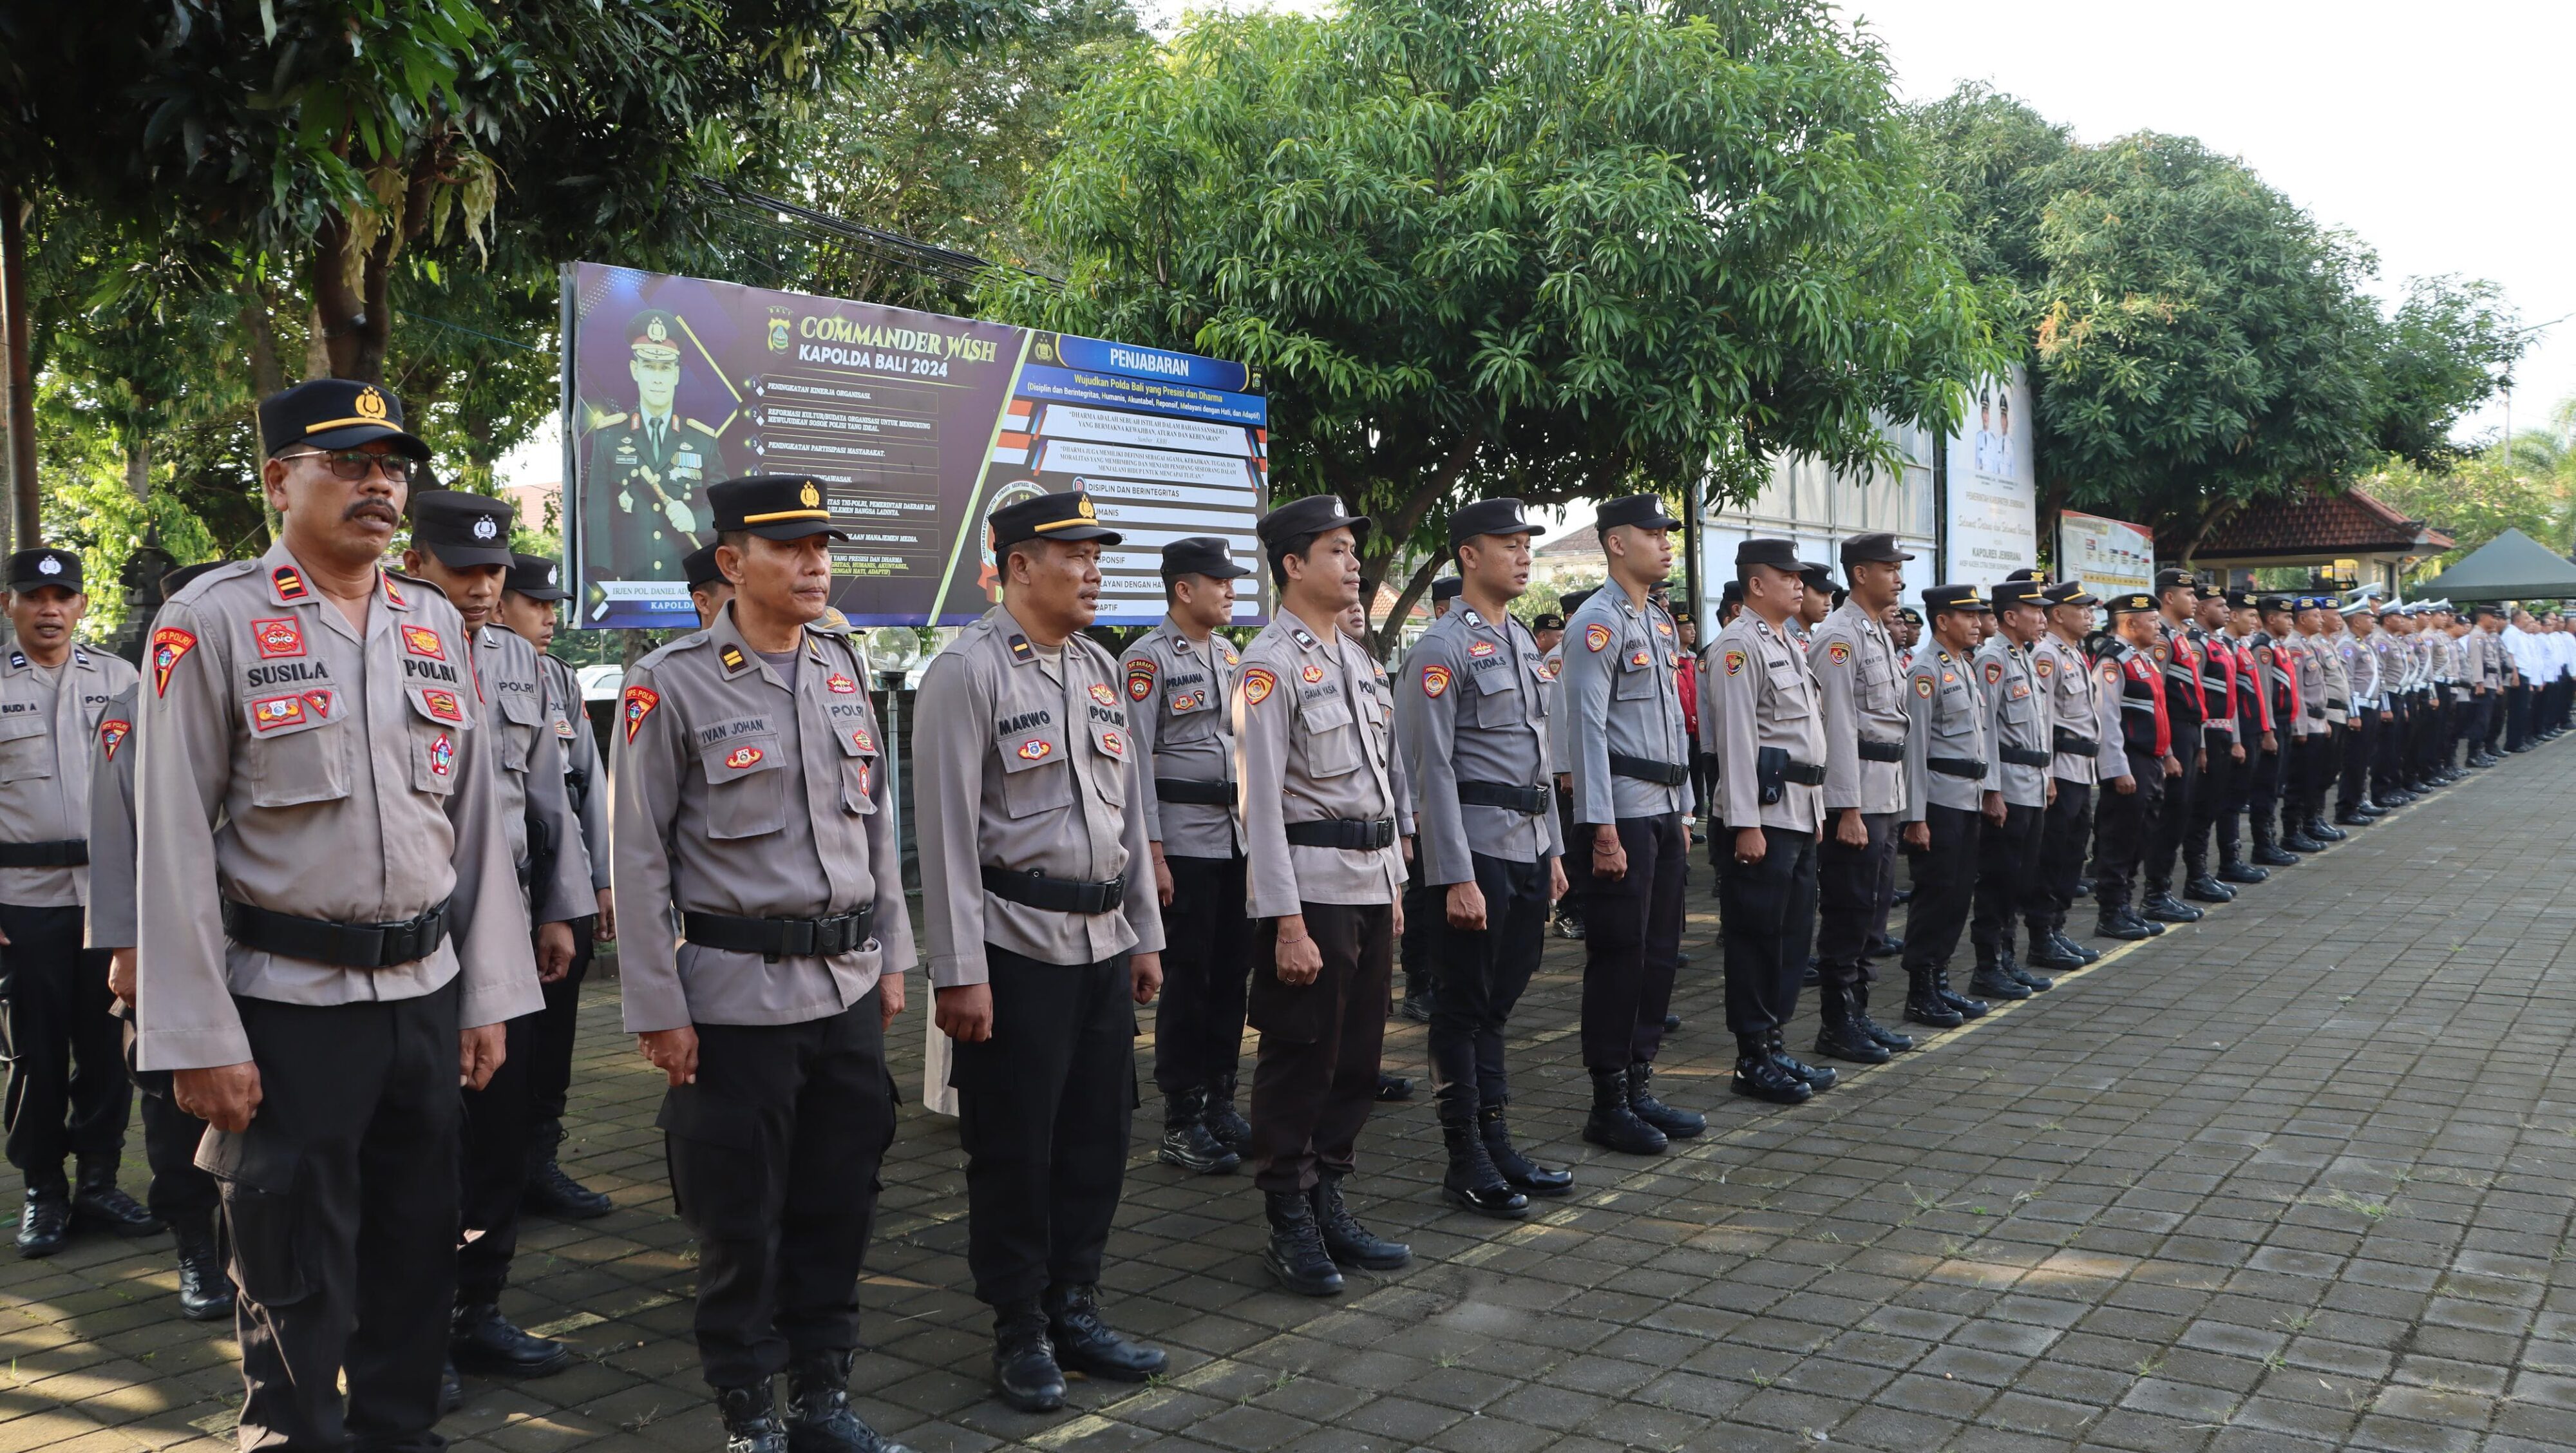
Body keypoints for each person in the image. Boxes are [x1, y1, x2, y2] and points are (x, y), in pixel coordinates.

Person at [135, 379, 540, 1451]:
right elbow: (170, 841)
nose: (379, 486)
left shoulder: (431, 621)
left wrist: (487, 998)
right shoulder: (211, 622)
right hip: (288, 1010)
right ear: (279, 481)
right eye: (349, 463)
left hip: (423, 998)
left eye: (391, 467)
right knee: (294, 1279)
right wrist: (198, 1036)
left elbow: (475, 824)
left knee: (416, 1260)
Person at [612, 476, 913, 1453]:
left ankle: (823, 1401)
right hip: (735, 1001)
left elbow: (877, 830)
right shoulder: (671, 682)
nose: (814, 564)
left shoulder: (840, 666)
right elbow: (638, 857)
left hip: (847, 987)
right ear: (733, 563)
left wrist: (893, 958)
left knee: (840, 1204)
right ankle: (749, 1415)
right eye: (789, 547)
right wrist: (658, 1008)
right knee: (739, 1222)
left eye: (822, 545)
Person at [916, 489, 1166, 1409]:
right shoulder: (967, 671)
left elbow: (1127, 816)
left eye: (1099, 556)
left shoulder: (1098, 667)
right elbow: (945, 838)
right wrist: (959, 973)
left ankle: (1076, 1305)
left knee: (1099, 1138)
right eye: (1077, 556)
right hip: (1015, 951)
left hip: (1102, 943)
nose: (1095, 572)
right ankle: (1019, 1325)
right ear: (1019, 565)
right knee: (1015, 1150)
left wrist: (1144, 935)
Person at [399, 491, 594, 1382]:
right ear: (416, 564)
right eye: (463, 570)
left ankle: (479, 1308)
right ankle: (412, 1329)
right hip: (415, 932)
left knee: (500, 1126)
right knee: (420, 1137)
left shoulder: (524, 662)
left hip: (510, 922)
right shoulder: (387, 642)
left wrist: (562, 909)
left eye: (494, 572)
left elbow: (551, 796)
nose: (482, 588)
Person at [1228, 495, 1415, 1293]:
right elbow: (1259, 807)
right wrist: (1285, 922)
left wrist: (1395, 882)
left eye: (1352, 549)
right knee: (1301, 1054)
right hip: (1312, 893)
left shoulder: (1360, 660)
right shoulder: (1267, 664)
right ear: (1292, 565)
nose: (1353, 563)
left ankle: (1329, 1196)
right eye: (1336, 550)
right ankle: (1288, 1218)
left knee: (1358, 1057)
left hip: (1369, 885)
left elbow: (1381, 783)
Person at [1397, 499, 1569, 1219]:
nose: (1523, 555)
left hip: (1527, 845)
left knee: (1498, 1005)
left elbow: (1538, 753)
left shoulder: (1521, 641)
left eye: (1527, 543)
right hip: (1475, 849)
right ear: (1468, 556)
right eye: (1508, 544)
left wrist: (1554, 848)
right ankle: (1464, 1156)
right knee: (1463, 1007)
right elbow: (1428, 770)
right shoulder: (1440, 649)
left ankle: (1498, 1143)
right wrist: (1454, 874)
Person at [0, 547, 154, 1258]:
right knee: (35, 1051)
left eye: (63, 596)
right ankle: (43, 1189)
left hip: (108, 897)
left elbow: (148, 785)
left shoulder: (121, 678)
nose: (50, 609)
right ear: (9, 605)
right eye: (34, 597)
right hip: (21, 902)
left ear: (82, 605)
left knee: (107, 1046)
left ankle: (98, 1180)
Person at [88, 560, 232, 1314]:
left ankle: (253, 1248)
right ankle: (195, 1248)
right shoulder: (131, 710)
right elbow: (114, 838)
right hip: (168, 938)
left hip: (258, 942)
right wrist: (126, 947)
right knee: (174, 1103)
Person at [1560, 497, 1700, 1155]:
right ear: (1616, 544)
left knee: (1660, 952)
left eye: (1668, 534)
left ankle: (1641, 1083)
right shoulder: (1596, 622)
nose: (1666, 543)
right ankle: (1608, 1100)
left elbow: (1673, 723)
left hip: (1664, 808)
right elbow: (1585, 730)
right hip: (1623, 811)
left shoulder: (1658, 621)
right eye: (1653, 533)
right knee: (1620, 956)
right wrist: (1601, 827)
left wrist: (1687, 808)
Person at [1119, 537, 1254, 1177]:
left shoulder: (1228, 654)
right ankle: (1181, 1118)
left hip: (1232, 838)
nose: (1230, 590)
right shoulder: (1145, 660)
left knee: (1230, 975)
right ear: (1183, 589)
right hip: (1182, 843)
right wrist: (1152, 854)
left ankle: (1221, 1102)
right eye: (1219, 580)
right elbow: (1132, 767)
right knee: (1188, 979)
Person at [493, 554, 618, 1220]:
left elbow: (585, 784)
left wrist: (600, 881)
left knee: (554, 1036)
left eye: (552, 606)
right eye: (535, 604)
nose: (549, 618)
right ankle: (490, 1171)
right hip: (497, 889)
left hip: (556, 886)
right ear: (499, 603)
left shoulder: (561, 679)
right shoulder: (460, 664)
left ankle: (537, 1164)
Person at [1707, 538, 1837, 1103]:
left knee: (1790, 936)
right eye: (1789, 577)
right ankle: (1752, 1058)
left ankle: (1775, 1044)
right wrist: (1745, 824)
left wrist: (1818, 810)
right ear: (1757, 585)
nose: (1800, 585)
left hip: (1798, 811)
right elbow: (1736, 740)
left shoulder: (1787, 641)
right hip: (1762, 814)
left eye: (1800, 577)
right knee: (1756, 938)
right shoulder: (1738, 645)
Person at [1799, 533, 1916, 1065]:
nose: (1898, 577)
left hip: (1884, 789)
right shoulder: (1840, 636)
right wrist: (1846, 808)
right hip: (1859, 795)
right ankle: (1837, 1023)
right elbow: (1838, 726)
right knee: (1849, 911)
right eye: (1889, 568)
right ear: (1861, 574)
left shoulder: (1875, 632)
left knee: (1873, 911)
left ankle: (1859, 1013)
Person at [1896, 585, 1998, 1027]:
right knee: (1935, 896)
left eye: (1978, 615)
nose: (1977, 623)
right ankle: (1920, 991)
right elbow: (1914, 749)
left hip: (1967, 798)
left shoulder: (1964, 666)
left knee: (1957, 897)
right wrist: (1915, 817)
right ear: (1942, 621)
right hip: (1939, 801)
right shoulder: (1925, 670)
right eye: (1968, 616)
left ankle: (1939, 980)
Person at [585, 309, 734, 585]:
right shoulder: (609, 436)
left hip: (687, 584)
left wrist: (696, 520)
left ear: (676, 374)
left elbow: (725, 511)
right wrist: (604, 577)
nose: (657, 378)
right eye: (648, 366)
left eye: (665, 368)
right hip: (628, 585)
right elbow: (598, 513)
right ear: (635, 370)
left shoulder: (703, 441)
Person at [1967, 576, 2056, 1002]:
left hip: (2032, 783)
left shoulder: (2024, 656)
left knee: (2020, 878)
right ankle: (1988, 966)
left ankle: (2007, 960)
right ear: (2010, 616)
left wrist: (2048, 775)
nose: (2043, 618)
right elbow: (1984, 729)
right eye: (2035, 611)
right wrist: (1992, 790)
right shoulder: (1993, 659)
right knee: (1998, 880)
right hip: (2008, 787)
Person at [2025, 581, 2107, 971]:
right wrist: (2048, 776)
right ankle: (2042, 936)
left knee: (2073, 853)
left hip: (2080, 768)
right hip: (2060, 769)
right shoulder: (2047, 655)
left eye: (2091, 610)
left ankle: (2057, 928)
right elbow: (2042, 721)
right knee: (2053, 855)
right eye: (2082, 609)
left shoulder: (2074, 652)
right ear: (2058, 614)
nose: (2090, 616)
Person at [2092, 592, 2181, 940]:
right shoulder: (2113, 660)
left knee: (2141, 837)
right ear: (2130, 622)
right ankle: (2111, 912)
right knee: (2120, 840)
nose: (2159, 627)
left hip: (2150, 761)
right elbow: (2106, 717)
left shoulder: (2142, 658)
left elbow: (2158, 711)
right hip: (2130, 762)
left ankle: (2125, 906)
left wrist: (2167, 754)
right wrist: (2117, 768)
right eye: (2152, 621)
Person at [2141, 570, 2213, 920]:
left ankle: (2166, 889)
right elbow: (2158, 698)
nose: (2196, 601)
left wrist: (2200, 744)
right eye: (2189, 594)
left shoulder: (2181, 636)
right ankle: (2155, 894)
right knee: (2170, 815)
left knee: (2183, 811)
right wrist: (2168, 751)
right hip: (2173, 734)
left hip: (2189, 733)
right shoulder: (2163, 640)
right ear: (2169, 598)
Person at [2211, 591, 2280, 878]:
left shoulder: (2241, 647)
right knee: (2231, 800)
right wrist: (2237, 740)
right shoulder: (2224, 647)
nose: (2256, 621)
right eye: (2251, 615)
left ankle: (2239, 857)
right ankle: (2229, 862)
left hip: (2252, 730)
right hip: (2238, 733)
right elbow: (2230, 701)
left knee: (2240, 796)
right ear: (2235, 616)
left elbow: (2258, 695)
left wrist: (2265, 729)